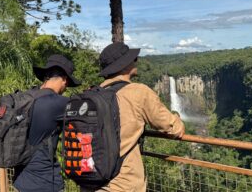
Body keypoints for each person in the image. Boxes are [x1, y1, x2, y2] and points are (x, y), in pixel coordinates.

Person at [80, 42, 185, 192]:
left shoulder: (92, 94)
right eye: (133, 59)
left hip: (90, 181)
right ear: (124, 65)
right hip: (123, 184)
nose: (136, 61)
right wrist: (177, 118)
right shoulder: (138, 92)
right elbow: (174, 128)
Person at [13, 54, 81, 192]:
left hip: (21, 180)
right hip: (45, 182)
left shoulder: (24, 99)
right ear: (64, 80)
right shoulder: (60, 103)